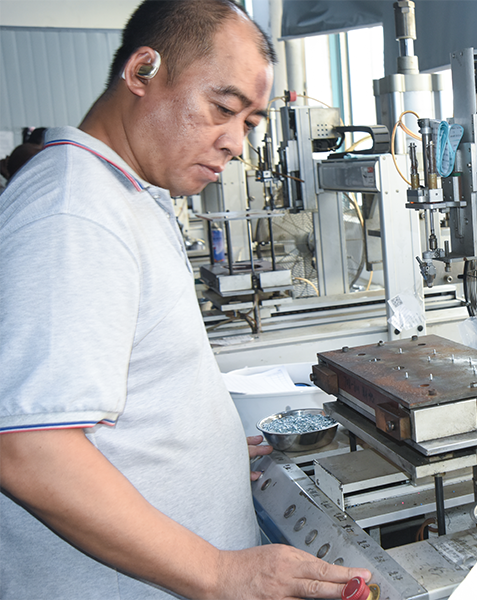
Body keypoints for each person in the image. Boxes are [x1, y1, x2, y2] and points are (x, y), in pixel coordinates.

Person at [0, 1, 370, 598]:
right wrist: (218, 573)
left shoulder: (122, 192)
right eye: (222, 109)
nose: (235, 143)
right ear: (142, 70)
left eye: (249, 122)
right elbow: (28, 446)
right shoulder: (75, 212)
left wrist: (200, 451)